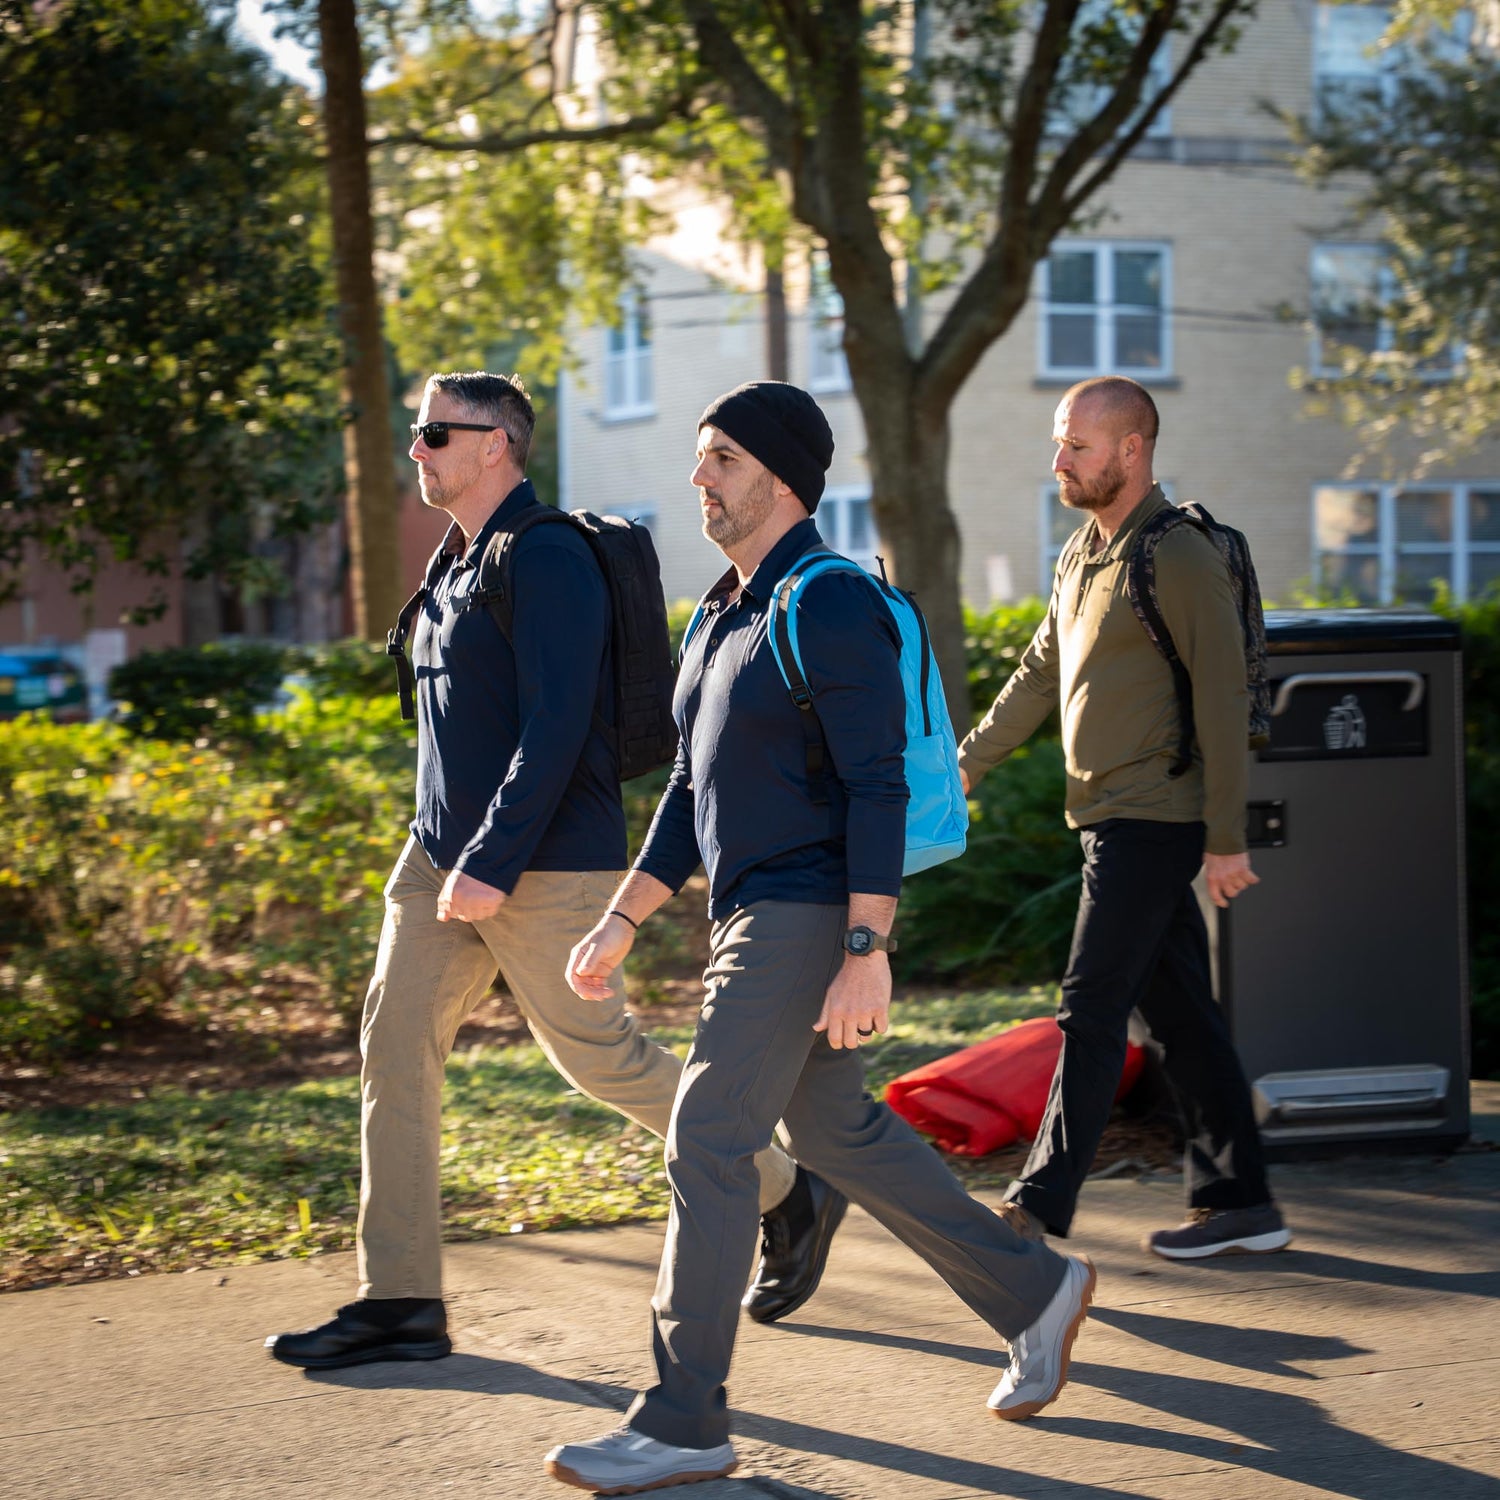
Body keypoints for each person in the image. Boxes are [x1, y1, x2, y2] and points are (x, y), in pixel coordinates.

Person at [544, 381, 1095, 1495]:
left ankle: (681, 1417)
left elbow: (876, 782)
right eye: (701, 459)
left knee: (707, 1137)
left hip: (807, 909)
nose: (701, 478)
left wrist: (864, 946)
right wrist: (622, 916)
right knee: (833, 1127)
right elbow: (690, 788)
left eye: (724, 459)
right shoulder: (720, 613)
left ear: (784, 477)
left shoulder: (826, 599)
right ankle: (1033, 1289)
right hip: (751, 907)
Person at [266, 372, 841, 1371]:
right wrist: (445, 850)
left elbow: (557, 720)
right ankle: (399, 1300)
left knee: (600, 1058)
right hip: (438, 856)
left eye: (436, 433)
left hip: (544, 858)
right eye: (414, 431)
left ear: (497, 445)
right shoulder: (452, 566)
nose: (418, 450)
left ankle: (786, 1190)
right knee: (393, 1050)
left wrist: (489, 860)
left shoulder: (547, 559)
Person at [960, 375, 1291, 1261]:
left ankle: (1033, 1209)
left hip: (1155, 815)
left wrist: (1226, 837)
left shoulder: (1176, 554)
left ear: (1131, 450)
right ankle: (1242, 1200)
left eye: (1076, 444)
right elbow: (1037, 673)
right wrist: (965, 769)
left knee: (1091, 1005)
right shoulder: (1082, 555)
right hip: (1108, 815)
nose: (1058, 458)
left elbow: (1223, 696)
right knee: (1179, 1012)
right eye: (1059, 442)